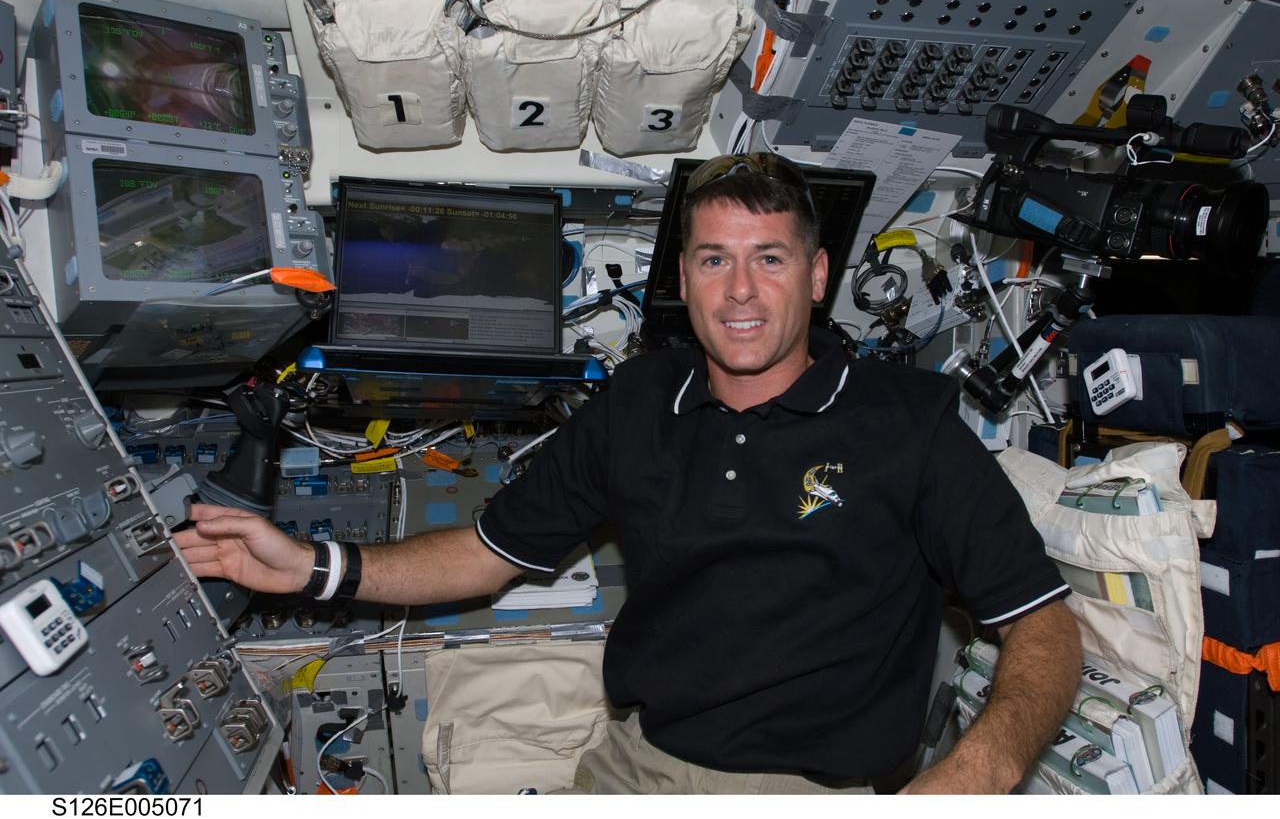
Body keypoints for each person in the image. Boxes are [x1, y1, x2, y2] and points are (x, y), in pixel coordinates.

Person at [178, 153, 1082, 794]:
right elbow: (489, 552)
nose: (739, 291)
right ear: (683, 278)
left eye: (768, 259)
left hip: (797, 786)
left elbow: (1044, 626)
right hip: (634, 762)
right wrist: (310, 567)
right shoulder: (641, 399)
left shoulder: (908, 423)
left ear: (816, 276)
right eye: (714, 260)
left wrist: (973, 773)